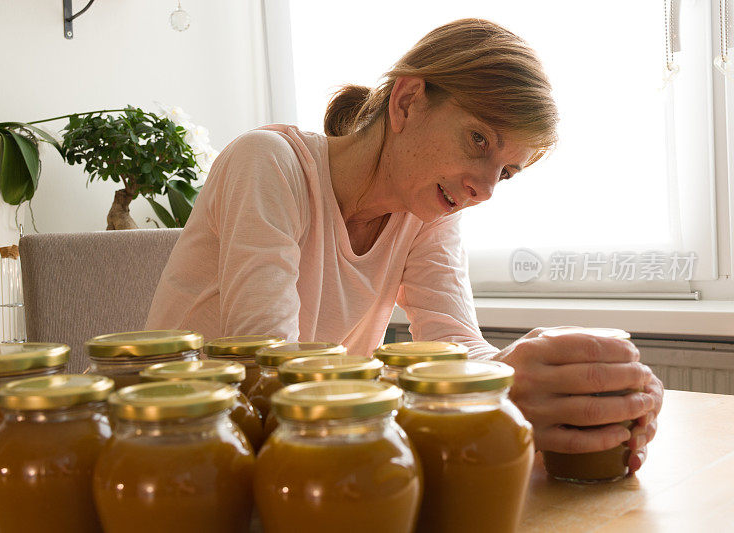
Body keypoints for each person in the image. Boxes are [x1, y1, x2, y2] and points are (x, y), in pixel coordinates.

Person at [146, 18, 662, 473]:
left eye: (506, 171)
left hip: (296, 450)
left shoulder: (427, 212)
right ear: (408, 100)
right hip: (174, 446)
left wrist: (568, 382)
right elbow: (268, 367)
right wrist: (501, 385)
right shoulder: (269, 163)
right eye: (479, 139)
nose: (485, 189)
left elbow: (457, 346)